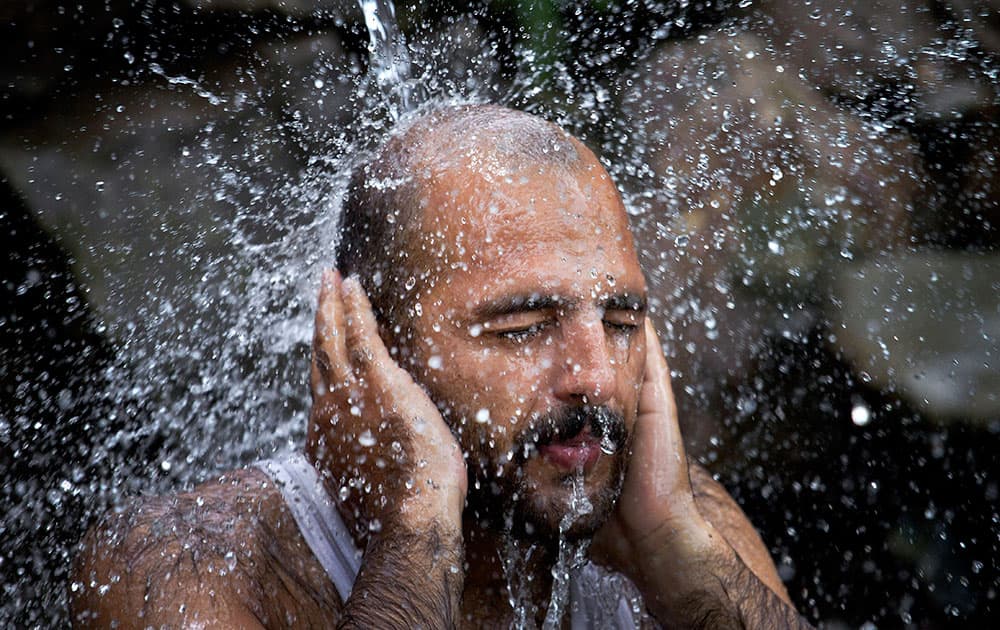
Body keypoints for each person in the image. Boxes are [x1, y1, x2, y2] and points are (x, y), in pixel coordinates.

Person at [71, 104, 812, 629]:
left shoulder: (681, 528)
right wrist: (419, 525)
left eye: (620, 322)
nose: (595, 375)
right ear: (369, 345)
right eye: (523, 327)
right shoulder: (183, 566)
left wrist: (677, 558)